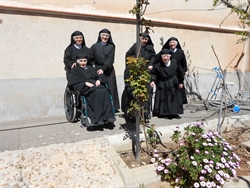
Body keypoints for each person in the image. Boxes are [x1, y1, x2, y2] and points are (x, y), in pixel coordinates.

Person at [67, 53, 116, 126]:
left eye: (84, 61)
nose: (83, 63)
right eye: (81, 61)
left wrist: (99, 80)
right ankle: (98, 118)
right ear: (78, 61)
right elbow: (73, 81)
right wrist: (85, 83)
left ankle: (108, 116)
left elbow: (99, 75)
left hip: (95, 84)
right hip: (85, 87)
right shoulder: (75, 70)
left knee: (104, 91)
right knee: (96, 93)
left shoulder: (91, 68)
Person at [121, 32, 156, 121]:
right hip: (135, 71)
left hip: (146, 71)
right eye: (142, 39)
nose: (144, 41)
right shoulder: (136, 46)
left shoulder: (150, 48)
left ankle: (145, 114)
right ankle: (132, 114)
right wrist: (133, 62)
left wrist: (151, 65)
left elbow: (153, 57)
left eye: (145, 39)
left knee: (146, 93)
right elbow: (128, 54)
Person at [89, 28, 120, 112]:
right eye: (103, 35)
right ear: (100, 36)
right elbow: (89, 56)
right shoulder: (95, 46)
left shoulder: (111, 46)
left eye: (106, 36)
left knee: (110, 88)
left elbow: (110, 59)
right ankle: (101, 107)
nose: (105, 37)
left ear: (109, 37)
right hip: (98, 69)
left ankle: (112, 107)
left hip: (108, 70)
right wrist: (93, 64)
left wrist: (103, 68)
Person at [150, 49, 184, 119]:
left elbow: (180, 72)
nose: (165, 58)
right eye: (164, 57)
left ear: (170, 57)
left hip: (173, 82)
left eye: (167, 57)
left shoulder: (175, 62)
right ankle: (165, 113)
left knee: (174, 99)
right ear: (161, 57)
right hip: (163, 83)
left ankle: (174, 113)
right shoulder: (158, 65)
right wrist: (153, 81)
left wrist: (181, 82)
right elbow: (154, 74)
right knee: (164, 99)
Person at [161, 37, 188, 104]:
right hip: (168, 75)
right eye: (171, 43)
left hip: (178, 75)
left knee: (178, 92)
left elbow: (184, 64)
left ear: (176, 44)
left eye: (174, 43)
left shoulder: (180, 52)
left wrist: (183, 72)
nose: (172, 44)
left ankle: (178, 106)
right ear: (168, 44)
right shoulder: (166, 52)